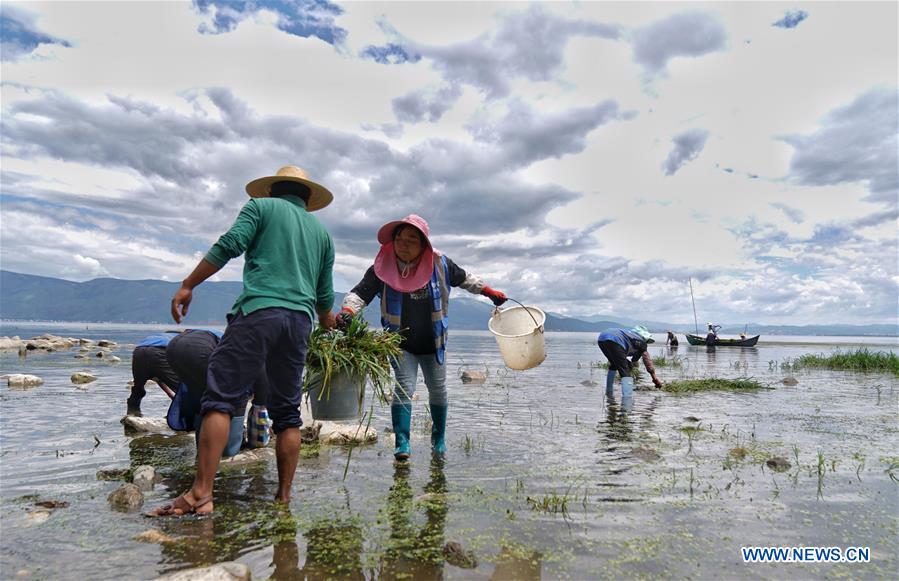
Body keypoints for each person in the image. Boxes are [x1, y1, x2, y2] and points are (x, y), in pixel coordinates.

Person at [148, 165, 336, 517]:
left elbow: (230, 245)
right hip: (299, 322)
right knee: (288, 414)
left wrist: (189, 284)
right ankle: (283, 499)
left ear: (272, 191)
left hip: (259, 312)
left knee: (220, 399)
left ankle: (201, 494)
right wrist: (329, 323)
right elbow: (324, 296)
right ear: (307, 199)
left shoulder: (260, 208)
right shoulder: (322, 234)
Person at [336, 214, 507, 461]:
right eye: (399, 239)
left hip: (433, 342)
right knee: (404, 387)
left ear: (423, 245)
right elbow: (360, 294)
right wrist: (347, 312)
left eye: (411, 240)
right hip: (400, 342)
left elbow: (466, 279)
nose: (403, 244)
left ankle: (438, 440)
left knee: (438, 390)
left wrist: (490, 292)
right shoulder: (382, 268)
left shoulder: (440, 263)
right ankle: (402, 442)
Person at [165, 328, 269, 457]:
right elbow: (259, 406)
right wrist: (256, 442)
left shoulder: (247, 345)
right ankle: (229, 451)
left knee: (205, 399)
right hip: (200, 350)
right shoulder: (261, 363)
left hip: (172, 350)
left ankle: (204, 449)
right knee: (237, 398)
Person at [596, 325, 663, 401]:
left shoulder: (630, 336)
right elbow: (648, 362)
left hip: (602, 338)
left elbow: (633, 359)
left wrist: (630, 364)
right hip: (615, 340)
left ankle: (609, 392)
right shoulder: (642, 343)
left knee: (614, 365)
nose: (646, 343)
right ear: (645, 338)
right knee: (625, 370)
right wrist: (655, 378)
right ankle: (627, 400)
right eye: (647, 341)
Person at [127, 331, 181, 416]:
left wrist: (171, 395)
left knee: (138, 388)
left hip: (138, 352)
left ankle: (133, 413)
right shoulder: (182, 339)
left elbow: (158, 376)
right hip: (160, 351)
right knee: (181, 388)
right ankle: (190, 417)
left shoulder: (158, 336)